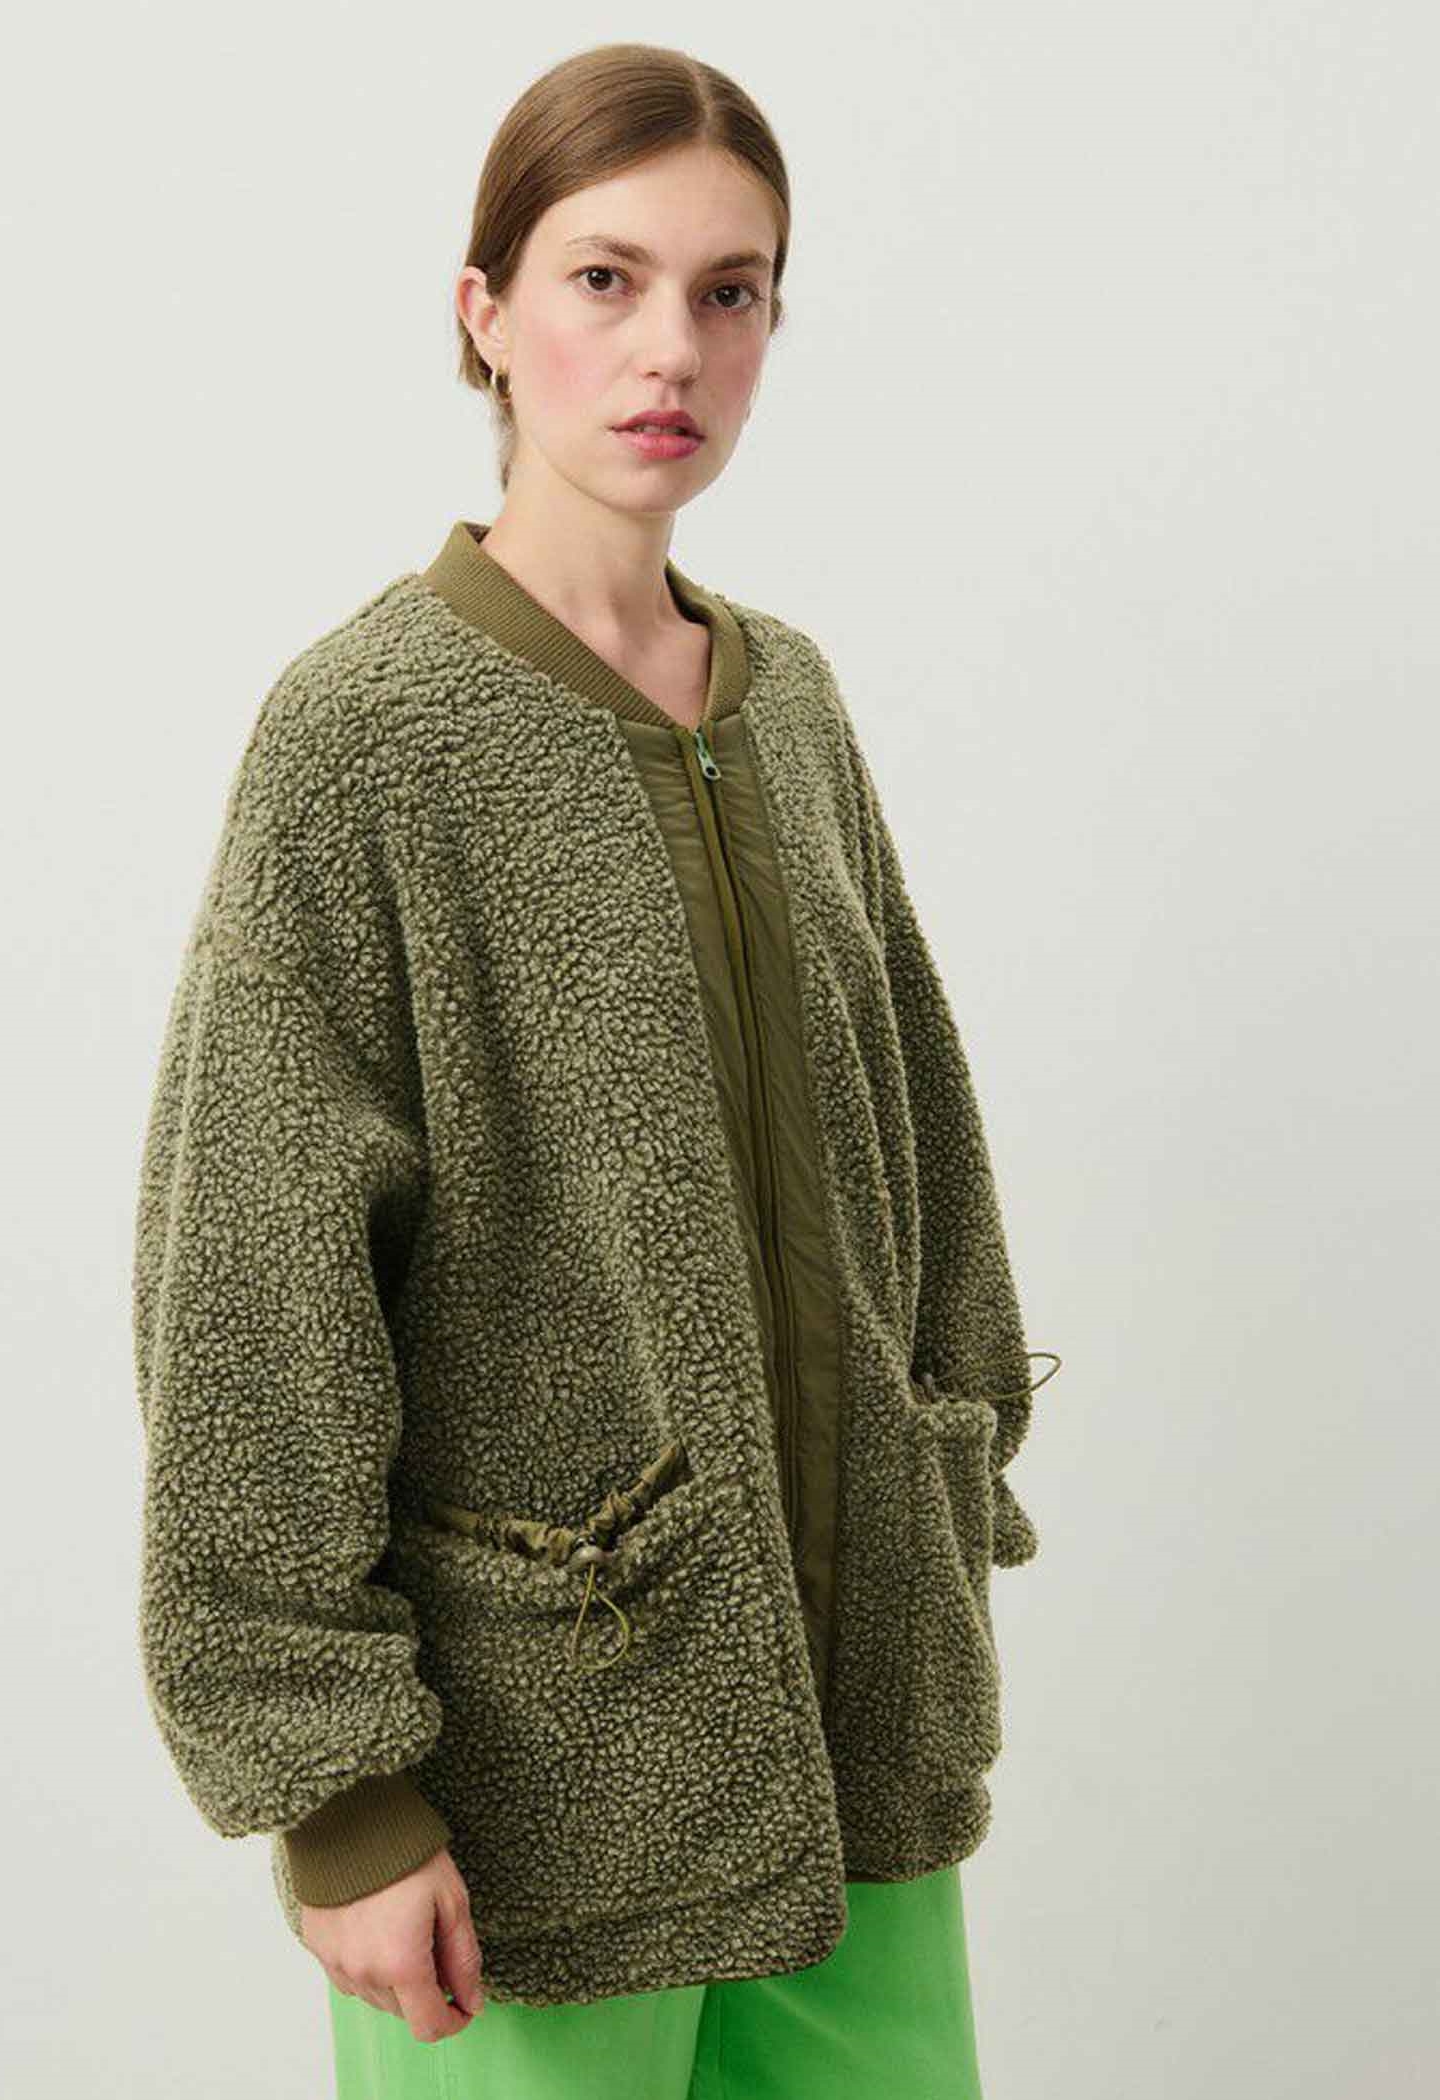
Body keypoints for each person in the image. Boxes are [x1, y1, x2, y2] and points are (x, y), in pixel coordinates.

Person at [131, 38, 1058, 2100]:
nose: (673, 351)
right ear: (486, 313)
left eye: (733, 292)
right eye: (606, 280)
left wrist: (952, 1461)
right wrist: (335, 1789)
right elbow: (248, 1287)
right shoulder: (366, 736)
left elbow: (922, 1127)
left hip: (860, 1739)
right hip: (537, 1781)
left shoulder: (791, 700)